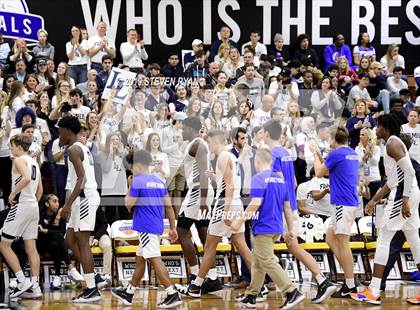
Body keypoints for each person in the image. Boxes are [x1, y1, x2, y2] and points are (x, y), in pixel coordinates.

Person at [263, 120, 336, 303]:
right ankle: (321, 279)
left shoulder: (271, 154)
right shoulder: (286, 153)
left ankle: (282, 289)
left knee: (262, 248)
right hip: (291, 206)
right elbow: (293, 183)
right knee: (289, 247)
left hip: (280, 209)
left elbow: (278, 182)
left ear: (265, 133)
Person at [351, 114, 420, 305]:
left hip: (403, 195)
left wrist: (404, 200)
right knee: (414, 241)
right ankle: (373, 289)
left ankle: (373, 290)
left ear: (385, 127)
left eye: (377, 126)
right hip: (408, 191)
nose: (375, 130)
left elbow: (410, 171)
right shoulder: (390, 143)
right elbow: (391, 181)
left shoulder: (392, 143)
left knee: (383, 240)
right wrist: (373, 200)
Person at [230, 148, 306, 309]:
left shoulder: (258, 178)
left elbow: (255, 203)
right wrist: (290, 229)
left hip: (263, 227)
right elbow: (287, 207)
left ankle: (291, 291)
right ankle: (252, 295)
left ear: (258, 161)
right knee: (258, 262)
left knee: (267, 261)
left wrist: (238, 221)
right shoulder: (281, 180)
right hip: (277, 227)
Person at [111, 150, 182, 308]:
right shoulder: (159, 181)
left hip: (145, 226)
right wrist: (172, 228)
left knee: (154, 259)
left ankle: (172, 293)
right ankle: (129, 292)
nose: (131, 170)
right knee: (140, 259)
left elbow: (128, 204)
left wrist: (129, 186)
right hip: (156, 225)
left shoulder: (138, 181)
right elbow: (169, 208)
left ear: (137, 165)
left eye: (132, 166)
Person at [187, 130, 252, 298]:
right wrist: (215, 177)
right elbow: (227, 182)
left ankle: (196, 286)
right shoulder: (231, 157)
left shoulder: (223, 156)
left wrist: (225, 210)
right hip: (235, 203)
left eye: (209, 142)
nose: (208, 146)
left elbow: (229, 186)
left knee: (209, 246)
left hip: (226, 203)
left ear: (215, 141)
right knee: (242, 246)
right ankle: (261, 283)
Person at [309, 126, 359, 297]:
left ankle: (350, 283)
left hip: (342, 203)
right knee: (330, 238)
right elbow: (332, 167)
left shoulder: (335, 154)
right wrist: (326, 155)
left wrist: (316, 153)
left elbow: (319, 172)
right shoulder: (351, 152)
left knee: (343, 242)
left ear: (333, 139)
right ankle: (349, 274)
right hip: (346, 202)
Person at [58, 116, 101, 302]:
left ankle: (91, 287)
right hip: (82, 198)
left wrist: (67, 204)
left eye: (60, 130)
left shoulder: (74, 149)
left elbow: (82, 179)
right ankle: (93, 277)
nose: (58, 134)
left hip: (84, 198)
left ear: (68, 131)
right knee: (70, 239)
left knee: (83, 241)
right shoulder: (81, 148)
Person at [175, 117, 220, 291]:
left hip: (198, 192)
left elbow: (203, 173)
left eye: (184, 128)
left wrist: (202, 201)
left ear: (191, 128)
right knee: (203, 234)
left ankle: (195, 275)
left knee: (181, 231)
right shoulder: (196, 143)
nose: (182, 131)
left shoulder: (197, 144)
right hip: (202, 191)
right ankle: (213, 277)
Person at [0, 134, 42, 298]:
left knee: (4, 245)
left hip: (22, 205)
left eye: (11, 145)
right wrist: (33, 205)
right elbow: (40, 191)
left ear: (18, 145)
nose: (10, 148)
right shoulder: (34, 163)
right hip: (33, 206)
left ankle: (22, 281)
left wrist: (13, 194)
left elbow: (24, 178)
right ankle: (35, 287)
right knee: (31, 248)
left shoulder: (18, 160)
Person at [37, 194, 83, 289]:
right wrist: (49, 230)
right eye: (54, 201)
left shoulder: (61, 215)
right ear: (46, 204)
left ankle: (57, 276)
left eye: (58, 201)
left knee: (55, 244)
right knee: (56, 237)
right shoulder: (39, 214)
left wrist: (56, 221)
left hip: (53, 244)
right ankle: (70, 267)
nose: (57, 204)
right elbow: (41, 233)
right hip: (40, 244)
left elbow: (61, 233)